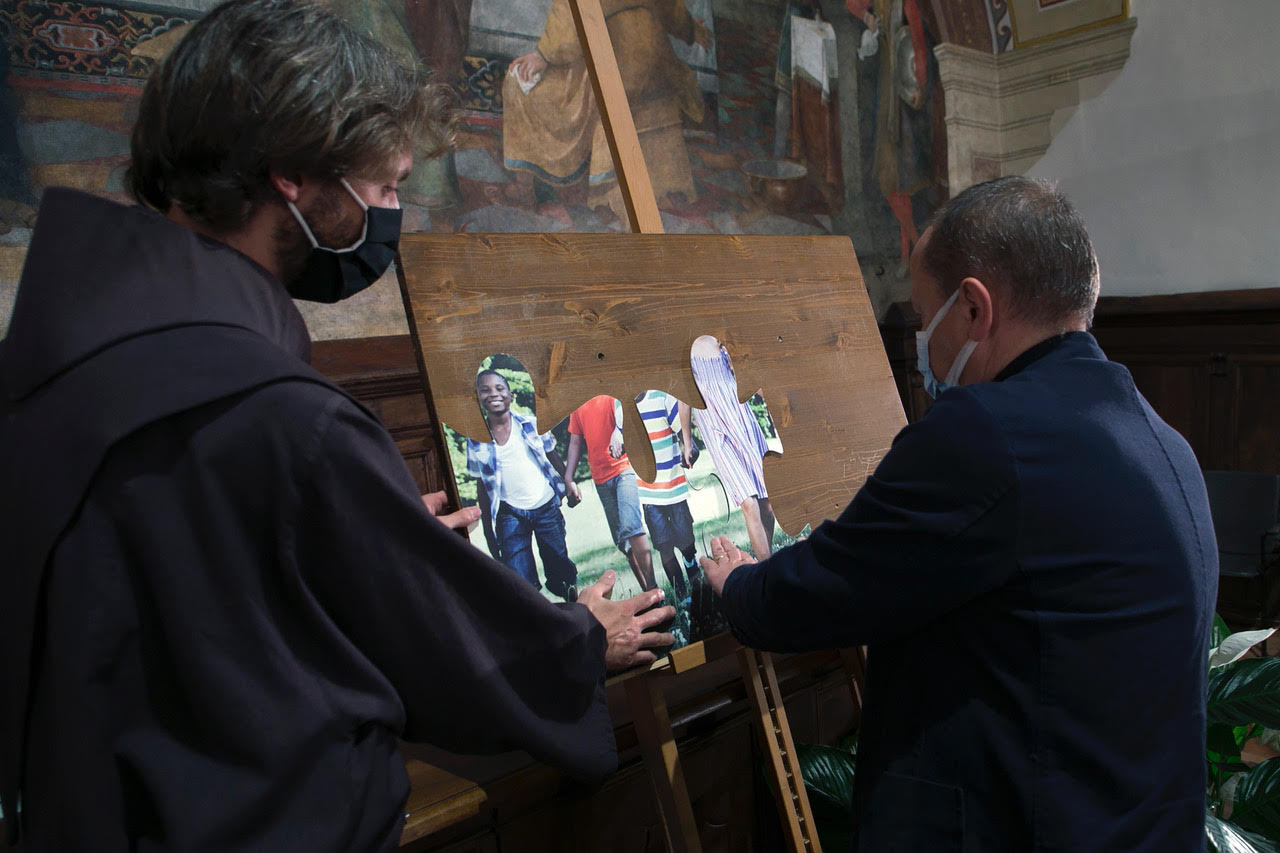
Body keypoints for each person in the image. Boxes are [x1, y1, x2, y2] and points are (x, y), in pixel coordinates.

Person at [0, 1, 674, 849]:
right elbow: (447, 653)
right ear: (292, 172)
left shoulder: (64, 347)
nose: (389, 213)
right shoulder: (286, 415)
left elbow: (187, 582)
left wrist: (353, 534)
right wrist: (579, 643)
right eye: (384, 188)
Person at [702, 176, 1218, 852]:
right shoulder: (1159, 436)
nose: (921, 342)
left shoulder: (986, 431)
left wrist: (741, 586)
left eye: (923, 316)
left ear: (974, 307)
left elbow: (837, 582)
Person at [466, 367, 580, 599]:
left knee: (561, 571)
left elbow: (552, 455)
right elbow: (482, 487)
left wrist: (568, 482)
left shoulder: (531, 424)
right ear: (477, 398)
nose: (493, 393)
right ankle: (539, 618)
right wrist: (488, 530)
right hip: (509, 514)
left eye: (499, 388)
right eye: (485, 390)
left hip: (545, 506)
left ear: (511, 395)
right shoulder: (475, 439)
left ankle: (575, 609)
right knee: (521, 581)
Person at [689, 335, 777, 559]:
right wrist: (687, 440)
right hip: (717, 432)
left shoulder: (723, 340)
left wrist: (775, 402)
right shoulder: (684, 349)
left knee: (767, 504)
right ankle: (767, 568)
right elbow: (683, 397)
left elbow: (750, 377)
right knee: (749, 504)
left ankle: (769, 560)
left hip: (744, 424)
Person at [566, 395, 657, 591]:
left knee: (632, 526)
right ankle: (647, 594)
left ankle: (654, 589)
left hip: (624, 469)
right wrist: (568, 477)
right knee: (623, 542)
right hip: (600, 479)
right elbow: (575, 442)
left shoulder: (609, 394)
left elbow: (628, 417)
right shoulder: (576, 401)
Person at [634, 389, 702, 599]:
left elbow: (683, 431)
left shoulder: (661, 396)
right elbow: (619, 439)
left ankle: (695, 578)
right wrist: (615, 445)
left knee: (686, 542)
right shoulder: (621, 408)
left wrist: (690, 449)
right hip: (649, 494)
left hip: (674, 488)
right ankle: (683, 598)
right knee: (664, 547)